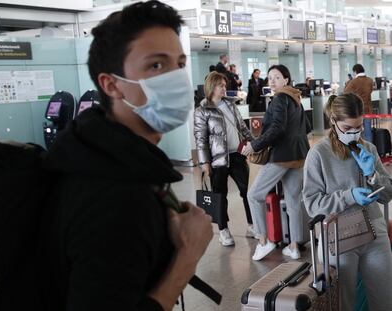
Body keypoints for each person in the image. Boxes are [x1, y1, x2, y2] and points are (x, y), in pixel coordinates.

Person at [39, 2, 213, 310]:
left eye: (179, 64)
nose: (176, 78)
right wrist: (188, 256)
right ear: (111, 84)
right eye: (156, 66)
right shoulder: (116, 197)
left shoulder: (100, 156)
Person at [302, 93, 392, 311]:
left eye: (359, 127)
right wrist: (349, 196)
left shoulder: (368, 149)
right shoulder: (318, 154)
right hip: (338, 236)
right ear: (333, 121)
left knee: (385, 298)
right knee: (343, 302)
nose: (354, 133)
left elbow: (387, 194)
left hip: (373, 231)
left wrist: (373, 175)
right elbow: (312, 204)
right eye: (347, 128)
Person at [241, 64, 310, 261]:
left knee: (254, 195)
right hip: (299, 154)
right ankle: (294, 246)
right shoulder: (296, 98)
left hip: (282, 156)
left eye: (277, 77)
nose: (272, 80)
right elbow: (308, 126)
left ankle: (264, 242)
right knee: (293, 200)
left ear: (286, 80)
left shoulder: (280, 98)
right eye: (269, 77)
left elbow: (277, 129)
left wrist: (254, 145)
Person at [194, 71, 255, 246]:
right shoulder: (202, 111)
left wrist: (254, 144)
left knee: (248, 191)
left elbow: (242, 127)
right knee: (220, 195)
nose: (224, 88)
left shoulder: (230, 105)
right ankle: (223, 230)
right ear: (211, 87)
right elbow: (201, 139)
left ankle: (252, 225)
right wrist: (204, 162)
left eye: (224, 85)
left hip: (237, 155)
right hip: (218, 160)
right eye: (221, 85)